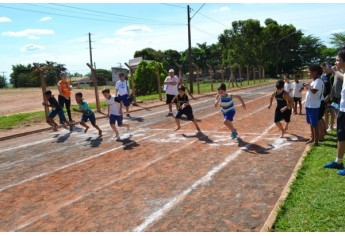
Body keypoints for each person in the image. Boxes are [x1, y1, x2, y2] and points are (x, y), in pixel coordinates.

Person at [323, 49, 345, 175]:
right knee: (341, 136)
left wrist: (335, 70)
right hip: (342, 109)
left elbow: (341, 75)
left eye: (338, 59)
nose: (336, 62)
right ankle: (338, 161)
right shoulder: (342, 73)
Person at [303, 65, 324, 146]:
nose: (309, 73)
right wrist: (308, 86)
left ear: (315, 72)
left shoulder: (318, 81)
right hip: (309, 104)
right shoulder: (314, 81)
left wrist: (308, 86)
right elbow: (311, 90)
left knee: (314, 123)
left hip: (314, 105)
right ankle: (312, 138)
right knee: (311, 123)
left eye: (310, 71)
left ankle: (316, 141)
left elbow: (315, 91)